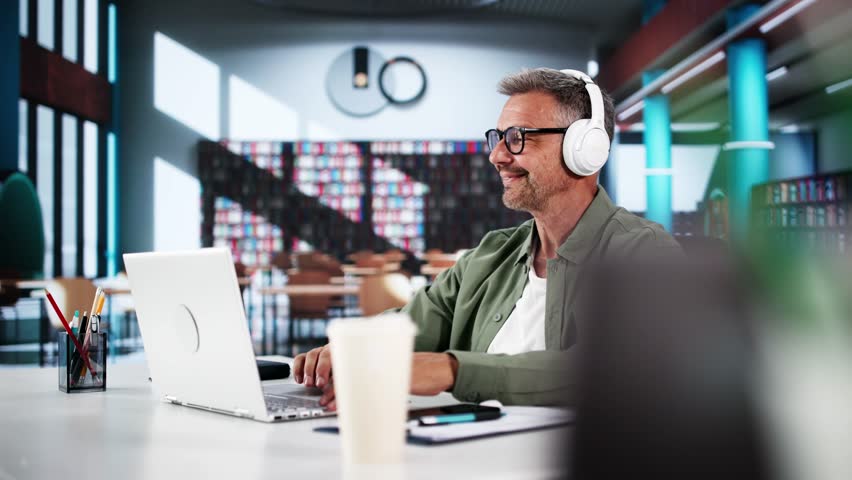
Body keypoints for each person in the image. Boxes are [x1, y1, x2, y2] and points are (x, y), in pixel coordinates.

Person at [293, 67, 681, 408]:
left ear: (586, 149)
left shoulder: (643, 253)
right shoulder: (492, 254)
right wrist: (348, 349)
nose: (497, 155)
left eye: (518, 137)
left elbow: (611, 367)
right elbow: (413, 323)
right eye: (498, 137)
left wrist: (452, 370)